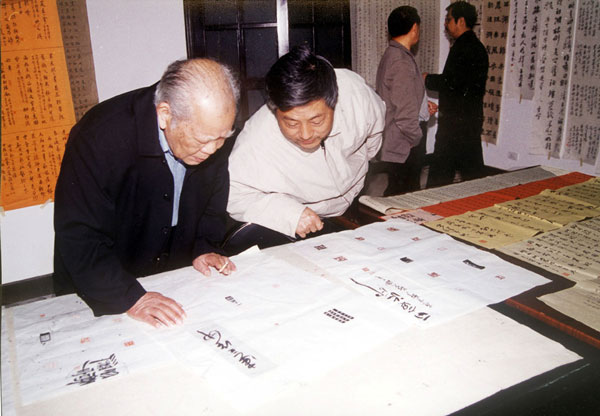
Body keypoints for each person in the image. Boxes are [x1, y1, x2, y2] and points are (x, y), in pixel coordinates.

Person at [53, 58, 239, 328]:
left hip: (170, 275)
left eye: (222, 138)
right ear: (165, 114)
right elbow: (79, 235)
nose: (212, 150)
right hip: (104, 282)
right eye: (202, 140)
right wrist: (129, 297)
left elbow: (212, 201)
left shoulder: (211, 129)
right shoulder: (100, 136)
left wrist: (204, 247)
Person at [226, 45, 384, 253]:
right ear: (274, 110)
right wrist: (290, 214)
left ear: (334, 102)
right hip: (304, 218)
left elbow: (374, 132)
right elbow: (233, 196)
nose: (306, 134)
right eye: (291, 123)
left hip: (353, 198)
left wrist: (359, 166)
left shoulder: (355, 95)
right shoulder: (256, 139)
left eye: (316, 121)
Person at [373, 5, 437, 196]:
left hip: (397, 137)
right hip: (405, 142)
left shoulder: (393, 54)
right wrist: (416, 138)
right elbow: (404, 114)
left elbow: (398, 97)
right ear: (415, 28)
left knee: (399, 192)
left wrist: (422, 106)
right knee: (404, 195)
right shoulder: (401, 61)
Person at [424, 1, 488, 187]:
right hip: (469, 120)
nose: (446, 24)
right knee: (472, 174)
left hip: (454, 124)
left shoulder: (463, 47)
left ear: (461, 21)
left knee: (440, 174)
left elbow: (451, 83)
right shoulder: (476, 46)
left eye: (448, 19)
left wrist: (427, 79)